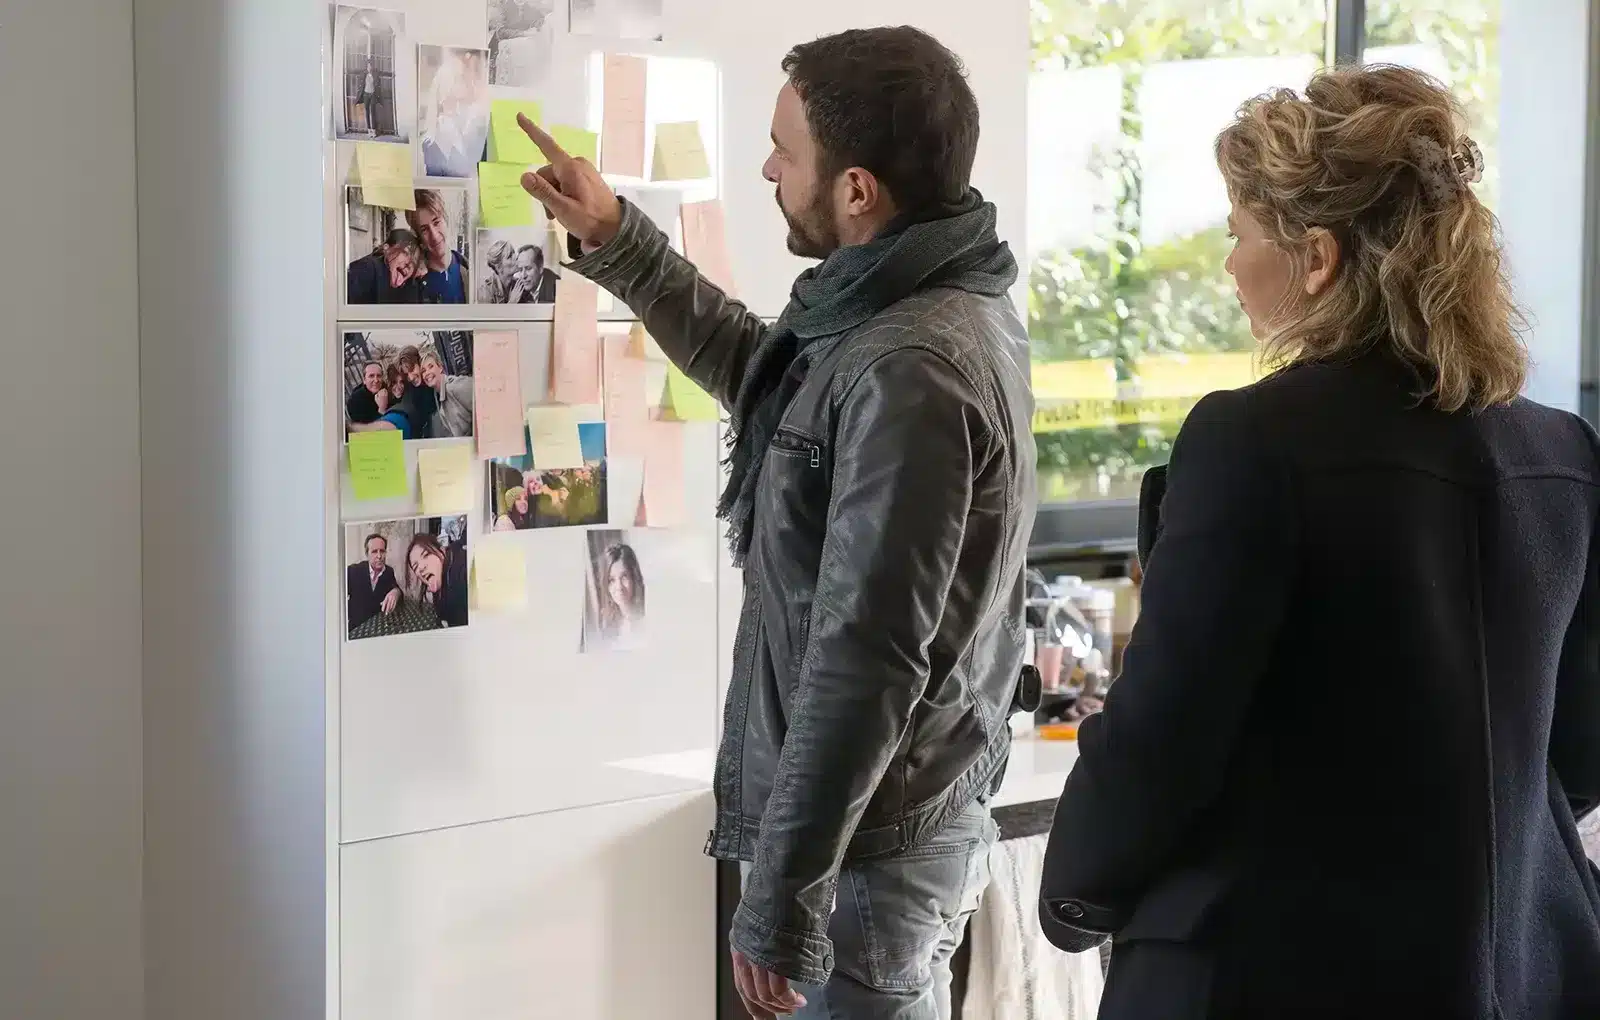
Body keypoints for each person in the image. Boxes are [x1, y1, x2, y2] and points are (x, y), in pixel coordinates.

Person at [1037, 66, 1600, 1020]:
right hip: (1523, 971)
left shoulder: (1250, 440)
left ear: (1319, 259)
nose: (1229, 266)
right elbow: (1578, 751)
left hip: (1272, 970)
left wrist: (1076, 894)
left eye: (1239, 234)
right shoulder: (1564, 454)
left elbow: (1164, 735)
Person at [518, 26, 1033, 1020]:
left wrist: (786, 894)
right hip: (874, 838)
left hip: (863, 864)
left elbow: (865, 658)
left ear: (857, 190)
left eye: (784, 151)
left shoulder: (911, 365)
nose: (767, 170)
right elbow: (772, 386)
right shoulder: (903, 308)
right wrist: (620, 237)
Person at [406, 190, 469, 304]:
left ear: (446, 220)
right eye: (424, 229)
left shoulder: (469, 272)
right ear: (418, 236)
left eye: (436, 222)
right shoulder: (412, 284)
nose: (434, 236)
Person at [406, 532, 468, 629]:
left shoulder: (462, 568)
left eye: (426, 555)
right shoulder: (437, 580)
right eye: (415, 566)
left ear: (442, 551)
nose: (421, 568)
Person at [347, 229, 422, 304]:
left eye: (414, 261)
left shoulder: (410, 286)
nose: (409, 264)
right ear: (386, 248)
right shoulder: (367, 268)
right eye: (405, 253)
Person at [594, 542, 645, 648]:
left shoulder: (648, 618)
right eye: (611, 580)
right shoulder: (608, 627)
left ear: (634, 578)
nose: (619, 587)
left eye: (624, 577)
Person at [347, 534, 400, 633]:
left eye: (382, 551)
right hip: (356, 628)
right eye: (374, 551)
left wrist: (396, 592)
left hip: (379, 627)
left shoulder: (389, 571)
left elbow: (396, 589)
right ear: (367, 554)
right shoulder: (353, 571)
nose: (379, 556)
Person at [420, 354, 474, 438]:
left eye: (431, 367)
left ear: (440, 368)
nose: (427, 373)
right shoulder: (438, 396)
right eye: (423, 371)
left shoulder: (454, 386)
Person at [346, 360, 387, 425]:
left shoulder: (386, 389)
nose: (376, 380)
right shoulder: (355, 401)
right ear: (364, 380)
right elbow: (367, 429)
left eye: (379, 376)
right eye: (371, 376)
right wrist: (382, 409)